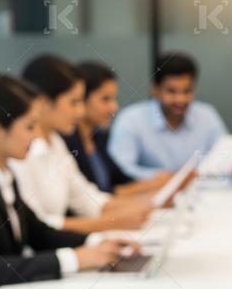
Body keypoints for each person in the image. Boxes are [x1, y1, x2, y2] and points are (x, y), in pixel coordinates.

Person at [0, 74, 142, 289]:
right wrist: (73, 259)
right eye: (30, 127)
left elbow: (37, 232)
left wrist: (96, 241)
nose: (36, 137)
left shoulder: (3, 172)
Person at [11, 55, 152, 234]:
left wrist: (149, 206)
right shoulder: (20, 152)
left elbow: (86, 198)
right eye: (74, 102)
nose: (80, 111)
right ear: (44, 102)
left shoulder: (55, 142)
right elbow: (37, 226)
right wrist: (113, 223)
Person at [108, 52, 232, 182]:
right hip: (148, 198)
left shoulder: (207, 115)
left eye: (187, 91)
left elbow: (224, 160)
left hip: (202, 196)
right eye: (172, 92)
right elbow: (121, 170)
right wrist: (166, 177)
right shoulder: (131, 119)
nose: (180, 100)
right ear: (155, 90)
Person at [62, 61, 173, 195]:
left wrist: (161, 180)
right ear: (81, 98)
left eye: (114, 99)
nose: (114, 108)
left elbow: (122, 181)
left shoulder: (99, 139)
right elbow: (99, 194)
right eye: (105, 99)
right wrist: (155, 183)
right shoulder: (66, 143)